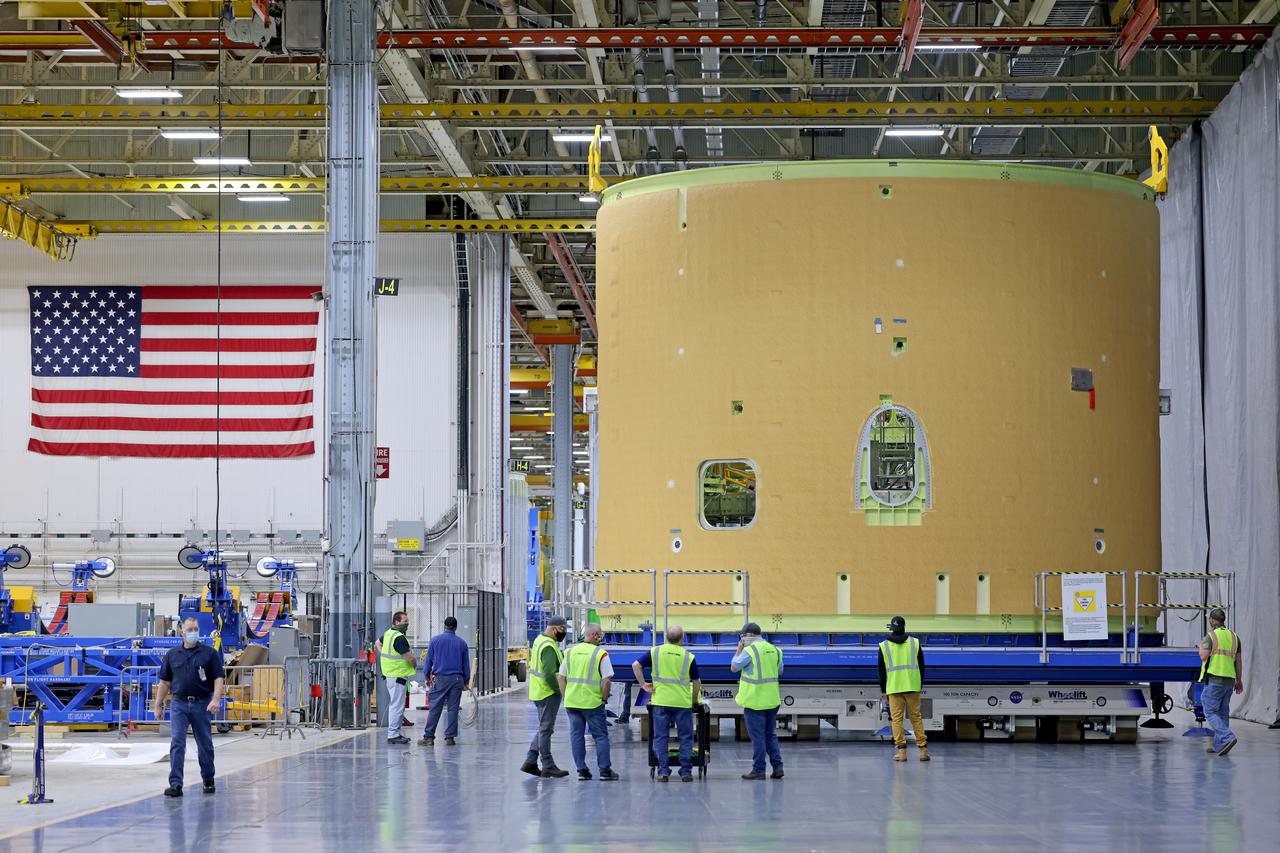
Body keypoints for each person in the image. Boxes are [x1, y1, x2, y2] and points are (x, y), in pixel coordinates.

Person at [154, 616, 224, 797]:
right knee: (177, 742)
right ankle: (176, 784)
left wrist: (215, 699)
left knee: (205, 744)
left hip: (202, 703)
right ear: (181, 632)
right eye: (190, 630)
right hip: (179, 704)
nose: (193, 632)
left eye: (195, 629)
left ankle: (208, 779)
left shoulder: (209, 653)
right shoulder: (172, 655)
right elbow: (164, 682)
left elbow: (218, 678)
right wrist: (158, 705)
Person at [632, 625, 702, 782]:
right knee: (685, 737)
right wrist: (694, 699)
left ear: (665, 637)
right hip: (682, 703)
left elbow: (635, 665)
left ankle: (663, 772)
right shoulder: (688, 656)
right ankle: (685, 772)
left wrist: (643, 685)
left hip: (661, 701)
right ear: (681, 638)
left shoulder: (655, 652)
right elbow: (697, 682)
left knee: (661, 737)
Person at [559, 623, 618, 781]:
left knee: (576, 735)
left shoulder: (570, 652)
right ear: (594, 635)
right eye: (600, 634)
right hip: (592, 703)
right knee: (600, 736)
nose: (601, 637)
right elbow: (606, 681)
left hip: (572, 703)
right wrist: (604, 699)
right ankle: (605, 771)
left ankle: (582, 771)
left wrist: (566, 697)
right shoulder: (600, 654)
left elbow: (561, 677)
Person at [731, 622, 784, 780]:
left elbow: (734, 667)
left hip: (755, 701)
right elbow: (780, 670)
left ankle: (759, 770)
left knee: (758, 737)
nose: (742, 639)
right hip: (772, 700)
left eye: (743, 637)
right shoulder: (775, 650)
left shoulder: (750, 650)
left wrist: (739, 650)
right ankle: (778, 767)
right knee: (770, 735)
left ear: (749, 636)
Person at [521, 616, 570, 778]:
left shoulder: (540, 640)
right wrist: (561, 691)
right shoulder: (549, 646)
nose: (564, 634)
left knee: (543, 728)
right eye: (563, 630)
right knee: (546, 729)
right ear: (555, 629)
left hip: (539, 691)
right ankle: (548, 765)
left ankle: (530, 761)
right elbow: (550, 674)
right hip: (548, 692)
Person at [878, 616, 929, 762]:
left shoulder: (884, 646)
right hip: (912, 686)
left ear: (891, 628)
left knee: (897, 720)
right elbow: (922, 666)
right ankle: (923, 750)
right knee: (916, 717)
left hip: (894, 687)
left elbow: (881, 670)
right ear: (904, 627)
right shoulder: (914, 643)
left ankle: (902, 753)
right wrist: (919, 684)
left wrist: (884, 689)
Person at [1199, 607, 1244, 756]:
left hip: (1215, 679)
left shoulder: (1210, 636)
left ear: (1212, 620)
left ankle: (1227, 737)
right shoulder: (1234, 637)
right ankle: (1220, 745)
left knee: (1210, 711)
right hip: (1230, 680)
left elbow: (1204, 656)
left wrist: (1200, 647)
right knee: (1222, 712)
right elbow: (1238, 661)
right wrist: (1239, 679)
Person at [421, 615, 471, 746]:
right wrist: (466, 681)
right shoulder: (462, 643)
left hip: (441, 679)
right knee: (453, 709)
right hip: (457, 679)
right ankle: (450, 738)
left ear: (444, 626)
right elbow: (466, 664)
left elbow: (428, 661)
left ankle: (429, 737)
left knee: (435, 708)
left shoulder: (435, 641)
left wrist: (427, 677)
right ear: (456, 627)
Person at [377, 611, 417, 745]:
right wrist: (415, 665)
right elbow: (410, 657)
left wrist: (384, 655)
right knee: (397, 706)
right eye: (405, 621)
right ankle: (393, 734)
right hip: (398, 675)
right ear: (397, 622)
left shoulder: (389, 633)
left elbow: (378, 643)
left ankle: (395, 733)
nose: (407, 624)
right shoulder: (399, 637)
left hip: (390, 674)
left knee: (396, 704)